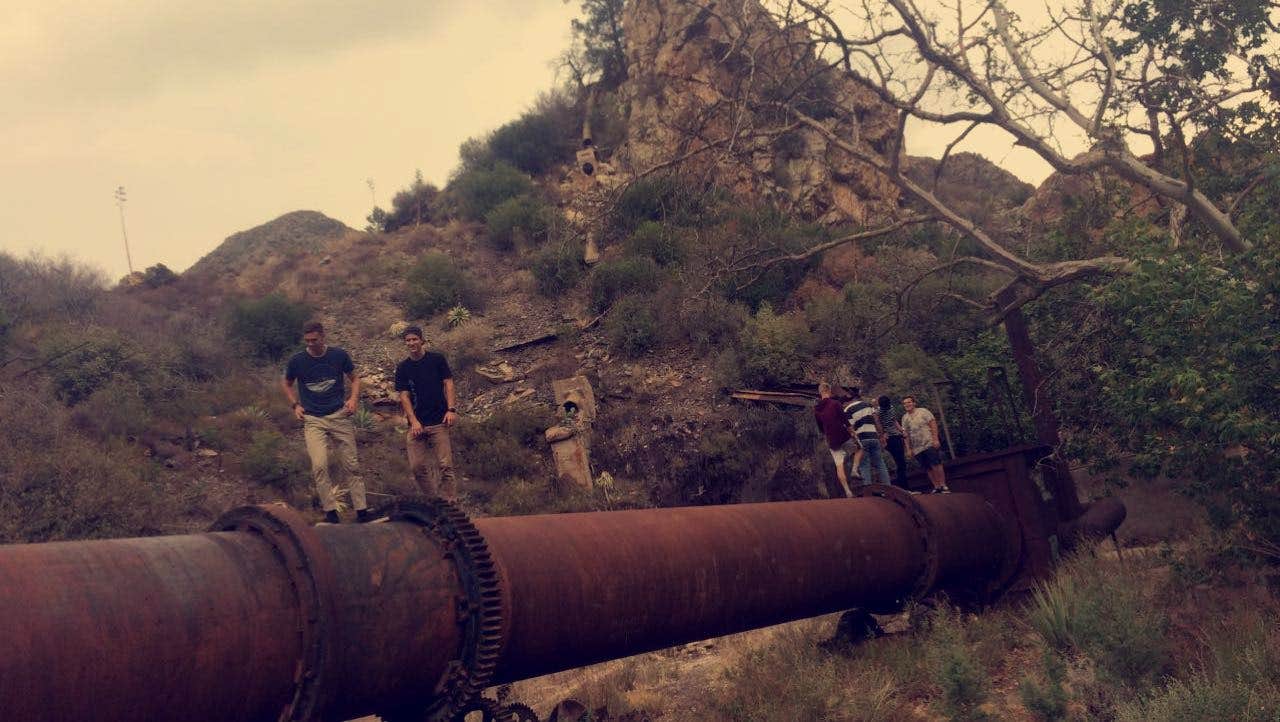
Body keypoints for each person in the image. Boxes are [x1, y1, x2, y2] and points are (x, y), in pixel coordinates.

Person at [281, 321, 372, 523]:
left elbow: (355, 379)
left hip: (339, 415)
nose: (311, 344)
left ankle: (362, 511)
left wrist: (353, 399)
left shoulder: (338, 355)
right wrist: (295, 405)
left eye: (315, 340)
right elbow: (287, 383)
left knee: (352, 465)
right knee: (319, 466)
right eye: (307, 341)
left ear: (323, 337)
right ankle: (331, 512)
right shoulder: (297, 361)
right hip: (313, 419)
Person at [394, 326, 459, 499]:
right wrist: (413, 421)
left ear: (422, 340)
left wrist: (451, 409)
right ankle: (433, 501)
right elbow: (404, 396)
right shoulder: (403, 368)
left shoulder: (436, 359)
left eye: (414, 339)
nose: (411, 343)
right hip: (417, 425)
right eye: (408, 340)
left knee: (445, 466)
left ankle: (450, 503)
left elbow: (449, 383)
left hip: (439, 421)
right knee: (416, 467)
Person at [814, 382, 858, 497]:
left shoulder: (816, 409)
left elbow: (820, 428)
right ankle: (854, 470)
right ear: (829, 391)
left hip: (831, 440)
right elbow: (845, 421)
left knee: (839, 466)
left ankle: (847, 491)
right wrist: (852, 433)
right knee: (859, 449)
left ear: (820, 393)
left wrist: (827, 435)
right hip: (843, 435)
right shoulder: (835, 403)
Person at [843, 387, 891, 485]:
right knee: (880, 463)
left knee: (864, 465)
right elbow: (877, 421)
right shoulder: (868, 405)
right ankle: (888, 487)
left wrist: (854, 442)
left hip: (862, 439)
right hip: (874, 437)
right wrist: (881, 436)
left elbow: (851, 428)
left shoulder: (847, 410)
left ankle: (869, 491)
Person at [902, 395, 950, 493]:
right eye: (905, 403)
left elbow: (933, 424)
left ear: (914, 403)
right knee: (927, 467)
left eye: (909, 402)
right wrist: (908, 449)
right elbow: (905, 434)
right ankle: (936, 486)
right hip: (917, 447)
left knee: (936, 463)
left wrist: (935, 439)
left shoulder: (923, 412)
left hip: (928, 442)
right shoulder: (905, 418)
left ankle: (943, 485)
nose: (907, 405)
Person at [879, 395, 909, 489]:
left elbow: (894, 421)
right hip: (889, 438)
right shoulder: (878, 412)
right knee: (898, 462)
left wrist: (902, 430)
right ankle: (902, 486)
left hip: (896, 436)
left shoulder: (891, 408)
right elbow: (878, 424)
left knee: (901, 462)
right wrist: (883, 434)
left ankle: (903, 485)